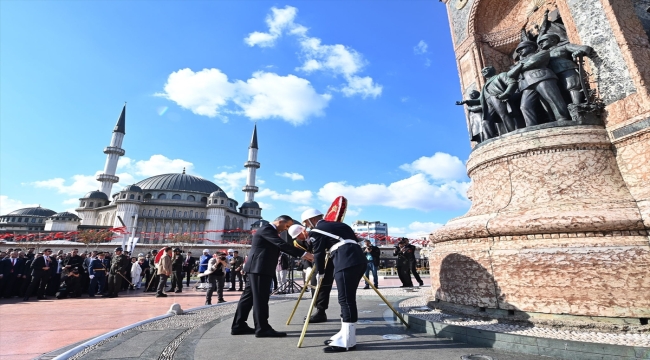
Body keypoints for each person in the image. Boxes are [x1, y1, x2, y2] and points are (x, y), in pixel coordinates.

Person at [231, 215, 313, 337]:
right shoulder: (266, 229)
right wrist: (304, 254)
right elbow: (281, 244)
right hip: (260, 268)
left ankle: (239, 325)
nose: (287, 229)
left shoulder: (269, 230)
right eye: (287, 226)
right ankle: (262, 328)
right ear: (280, 221)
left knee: (248, 298)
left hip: (257, 268)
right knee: (261, 299)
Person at [300, 208, 367, 353]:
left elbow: (317, 254)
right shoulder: (342, 225)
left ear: (312, 219)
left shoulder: (316, 231)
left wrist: (321, 273)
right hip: (359, 260)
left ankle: (348, 341)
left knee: (346, 300)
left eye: (306, 222)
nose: (307, 226)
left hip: (344, 261)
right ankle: (344, 333)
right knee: (348, 299)